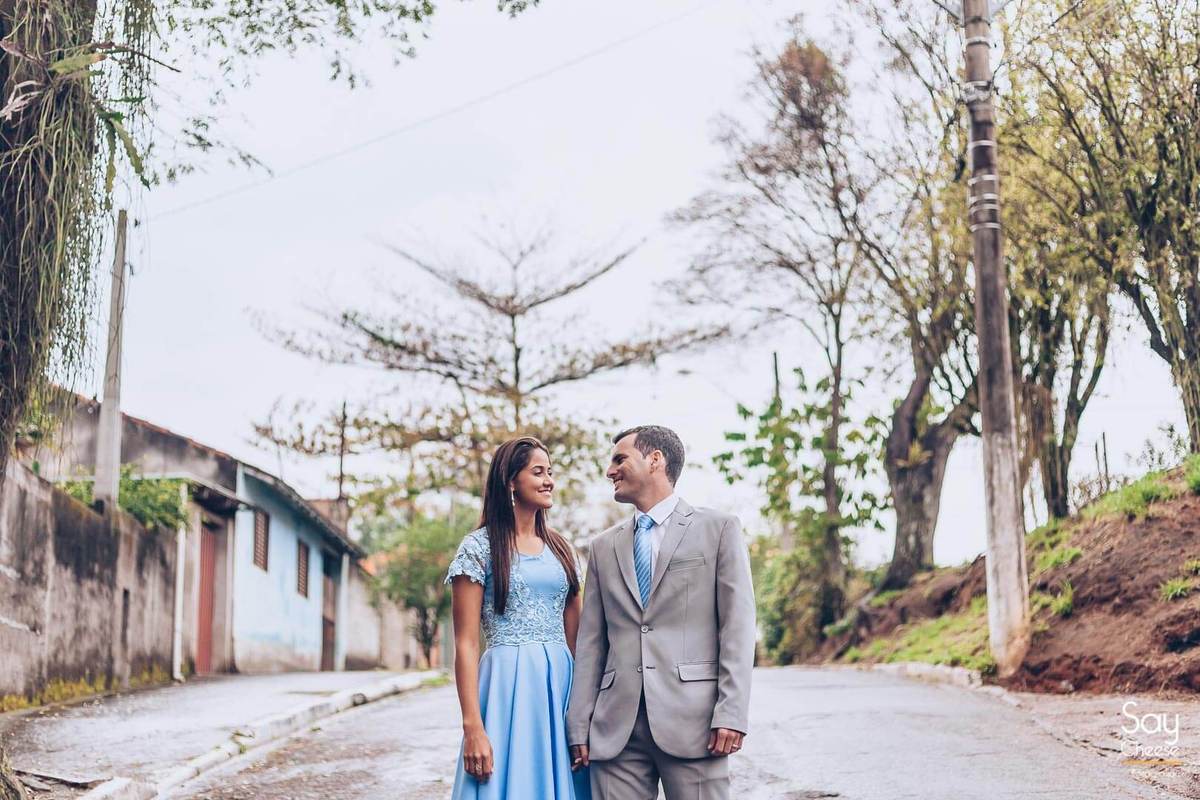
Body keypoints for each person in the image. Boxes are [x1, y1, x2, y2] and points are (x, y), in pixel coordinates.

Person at [567, 425, 756, 800]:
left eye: (620, 458)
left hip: (696, 724)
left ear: (655, 460)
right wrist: (579, 725)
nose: (610, 470)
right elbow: (591, 642)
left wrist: (731, 712)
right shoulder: (603, 547)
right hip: (614, 731)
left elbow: (737, 627)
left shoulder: (719, 529)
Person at [446, 436, 591, 799]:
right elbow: (465, 642)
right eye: (537, 472)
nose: (548, 481)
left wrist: (584, 712)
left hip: (560, 684)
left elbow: (580, 638)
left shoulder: (563, 549)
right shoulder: (479, 548)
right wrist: (473, 728)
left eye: (550, 472)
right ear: (511, 481)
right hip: (506, 685)